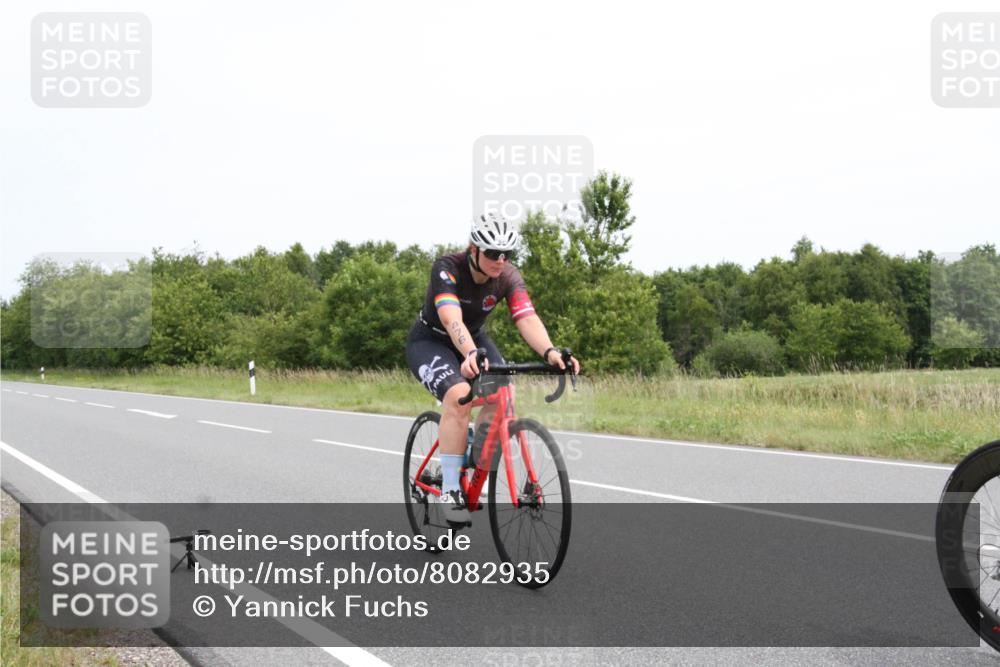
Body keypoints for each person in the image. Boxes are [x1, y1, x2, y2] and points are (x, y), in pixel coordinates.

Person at [406, 212, 580, 527]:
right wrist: (469, 351)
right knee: (459, 395)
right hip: (432, 341)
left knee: (504, 390)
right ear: (473, 249)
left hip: (474, 340)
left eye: (506, 254)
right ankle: (449, 490)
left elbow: (526, 317)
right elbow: (451, 318)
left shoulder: (508, 276)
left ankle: (475, 458)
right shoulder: (447, 268)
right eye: (491, 253)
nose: (500, 260)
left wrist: (550, 351)